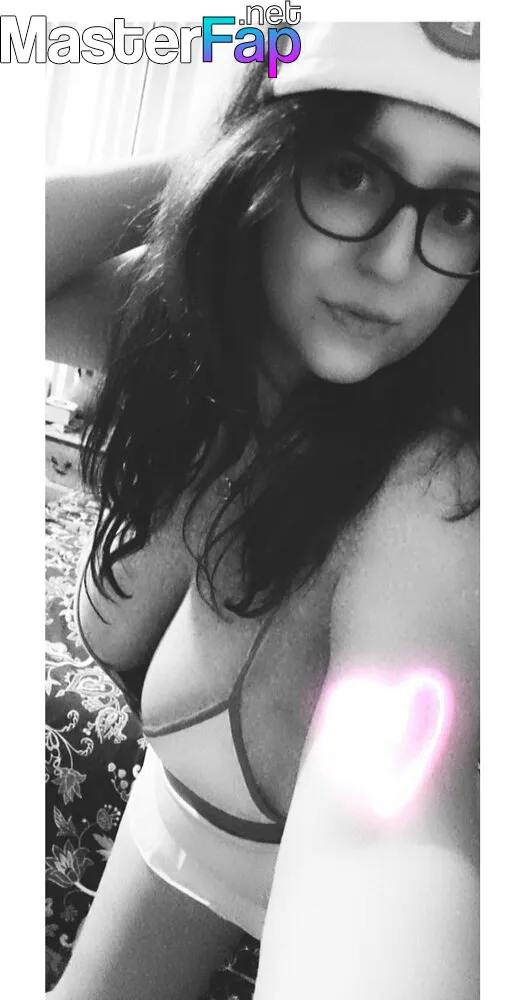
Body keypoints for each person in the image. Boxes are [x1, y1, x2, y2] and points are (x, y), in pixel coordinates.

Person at [46, 21, 480, 1000]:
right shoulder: (192, 344)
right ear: (265, 159)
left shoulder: (434, 498)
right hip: (187, 823)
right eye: (350, 173)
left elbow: (392, 840)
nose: (394, 261)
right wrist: (207, 160)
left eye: (459, 209)